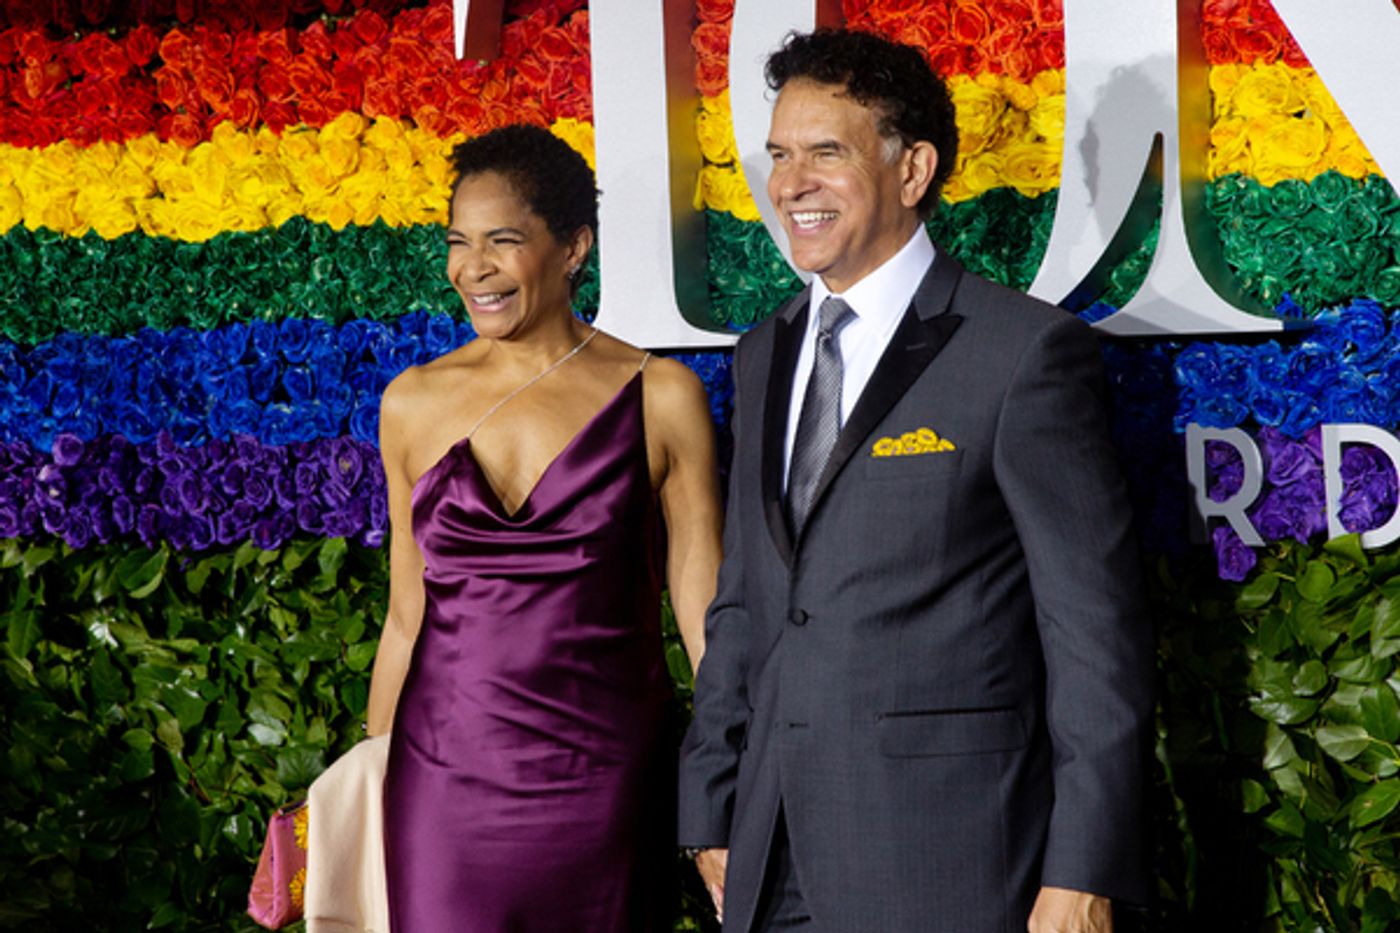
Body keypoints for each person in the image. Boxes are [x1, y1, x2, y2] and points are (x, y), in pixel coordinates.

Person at [677, 29, 1154, 933]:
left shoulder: (1020, 353)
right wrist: (710, 805)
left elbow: (1094, 632)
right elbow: (744, 599)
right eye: (780, 155)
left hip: (951, 854)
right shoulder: (761, 352)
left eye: (826, 153)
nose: (789, 184)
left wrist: (1085, 869)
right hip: (767, 854)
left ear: (912, 168)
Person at [366, 123, 723, 932]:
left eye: (503, 241)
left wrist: (730, 775)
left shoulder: (661, 396)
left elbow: (704, 613)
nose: (472, 268)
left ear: (572, 248)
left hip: (605, 780)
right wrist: (372, 771)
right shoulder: (410, 403)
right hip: (440, 781)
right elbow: (402, 618)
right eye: (458, 242)